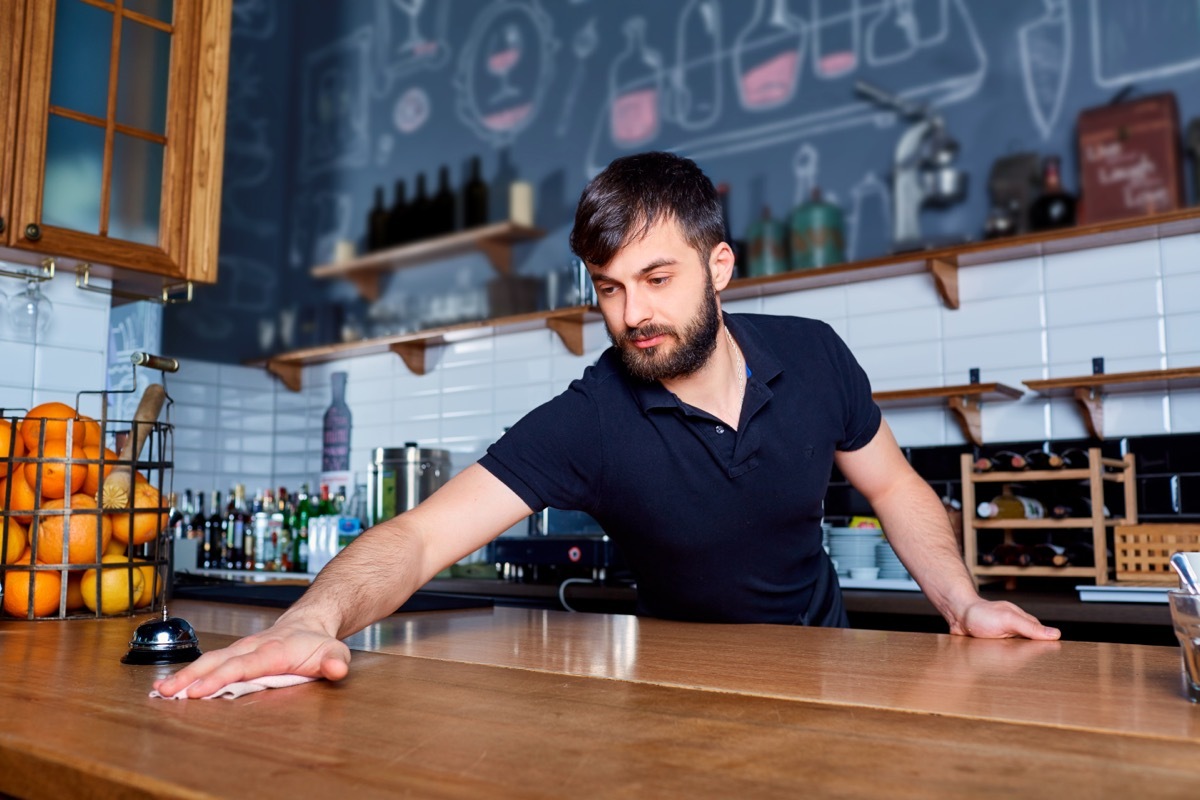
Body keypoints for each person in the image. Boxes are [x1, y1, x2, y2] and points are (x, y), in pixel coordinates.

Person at [155, 152, 1058, 699]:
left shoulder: (815, 355)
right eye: (609, 287)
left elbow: (895, 484)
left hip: (827, 668)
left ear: (721, 267)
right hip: (671, 693)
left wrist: (963, 602)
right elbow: (422, 536)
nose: (632, 314)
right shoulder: (591, 418)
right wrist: (312, 620)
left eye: (657, 279)